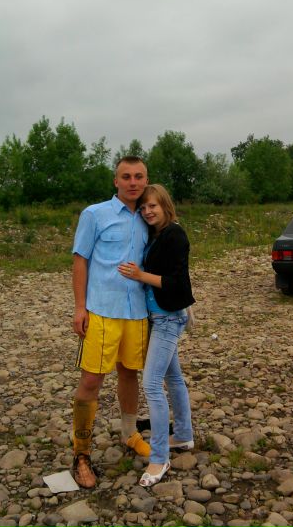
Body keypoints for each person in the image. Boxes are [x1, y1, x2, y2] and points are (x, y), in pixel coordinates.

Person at [71, 156, 151, 488]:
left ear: (146, 180)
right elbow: (80, 260)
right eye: (126, 176)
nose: (133, 182)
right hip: (102, 310)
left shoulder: (149, 215)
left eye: (139, 176)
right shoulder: (95, 214)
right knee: (92, 379)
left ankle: (129, 433)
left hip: (137, 311)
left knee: (129, 372)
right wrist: (80, 307)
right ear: (116, 181)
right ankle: (81, 453)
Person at [118, 183, 195, 487]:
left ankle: (159, 457)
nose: (148, 211)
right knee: (173, 378)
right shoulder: (157, 234)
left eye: (153, 206)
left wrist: (140, 275)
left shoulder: (175, 235)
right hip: (159, 316)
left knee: (151, 384)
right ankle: (184, 435)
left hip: (168, 318)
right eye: (144, 207)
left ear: (165, 206)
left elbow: (177, 283)